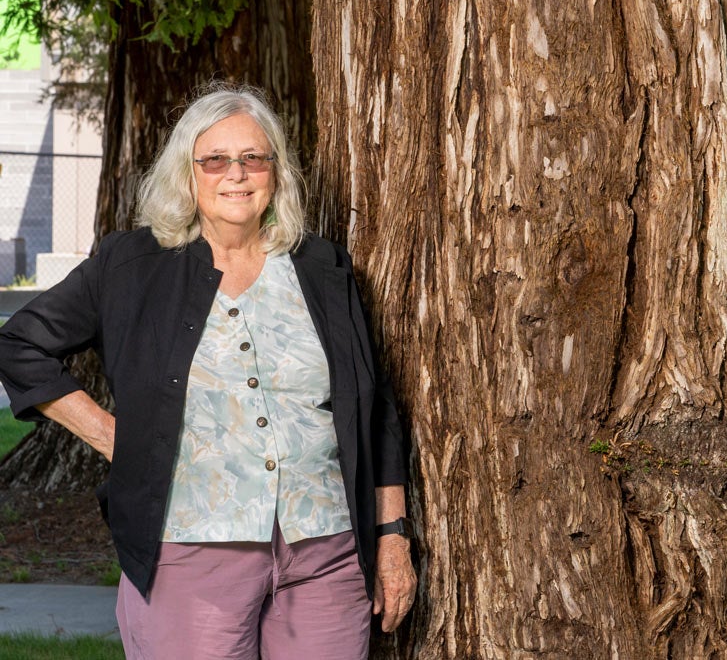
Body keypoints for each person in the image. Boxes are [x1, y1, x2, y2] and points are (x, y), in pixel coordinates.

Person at [0, 85, 418, 659]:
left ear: (276, 172)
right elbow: (21, 343)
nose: (236, 174)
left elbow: (376, 411)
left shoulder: (322, 267)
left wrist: (392, 536)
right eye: (215, 160)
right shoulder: (133, 266)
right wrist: (111, 435)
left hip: (327, 553)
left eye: (254, 158)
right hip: (190, 555)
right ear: (187, 173)